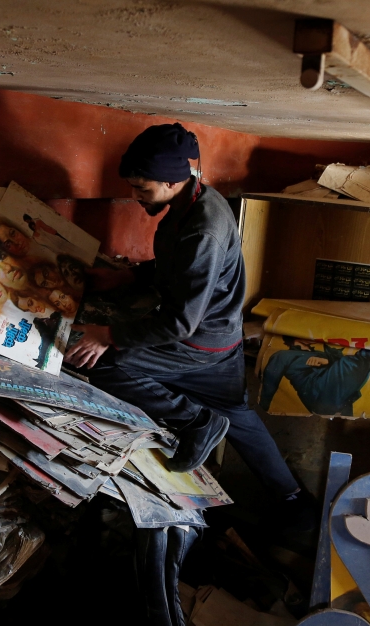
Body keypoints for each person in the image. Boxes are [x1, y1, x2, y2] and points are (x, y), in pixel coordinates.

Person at [63, 122, 313, 527]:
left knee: (104, 364)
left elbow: (179, 322)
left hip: (196, 342)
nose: (134, 195)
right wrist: (130, 276)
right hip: (221, 336)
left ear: (171, 181)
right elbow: (179, 270)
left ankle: (197, 422)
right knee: (238, 414)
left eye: (142, 189)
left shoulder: (203, 230)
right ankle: (292, 499)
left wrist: (108, 336)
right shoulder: (195, 201)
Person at [259, 337, 370, 415]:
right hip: (315, 392)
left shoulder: (320, 353)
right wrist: (263, 406)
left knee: (362, 367)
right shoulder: (283, 355)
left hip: (336, 397)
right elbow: (270, 380)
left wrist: (326, 362)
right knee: (350, 364)